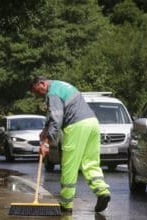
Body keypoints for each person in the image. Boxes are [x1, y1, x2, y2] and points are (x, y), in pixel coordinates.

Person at [30, 76, 111, 213]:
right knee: (90, 162)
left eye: (38, 91)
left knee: (69, 166)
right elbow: (54, 114)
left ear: (42, 83)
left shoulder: (52, 93)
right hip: (92, 123)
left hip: (76, 126)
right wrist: (45, 129)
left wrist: (47, 143)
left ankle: (66, 205)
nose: (39, 95)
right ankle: (102, 192)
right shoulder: (63, 85)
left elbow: (56, 119)